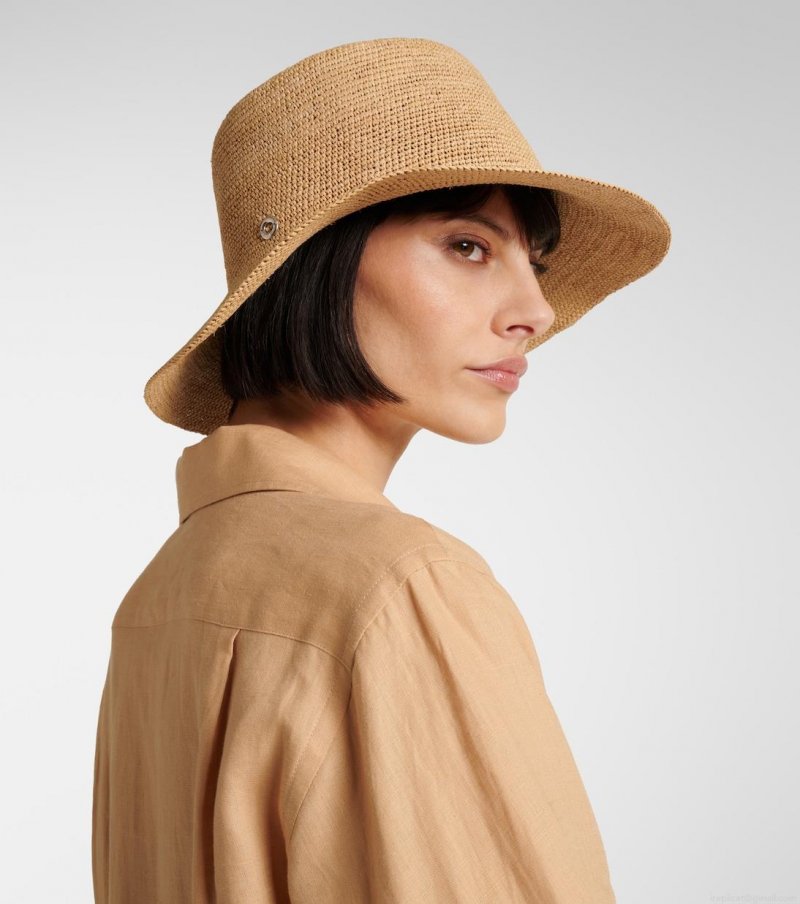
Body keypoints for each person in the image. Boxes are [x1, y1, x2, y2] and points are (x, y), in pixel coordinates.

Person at [91, 37, 670, 904]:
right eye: (468, 246)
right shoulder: (403, 587)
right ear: (316, 264)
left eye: (535, 262)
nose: (537, 311)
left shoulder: (157, 597)